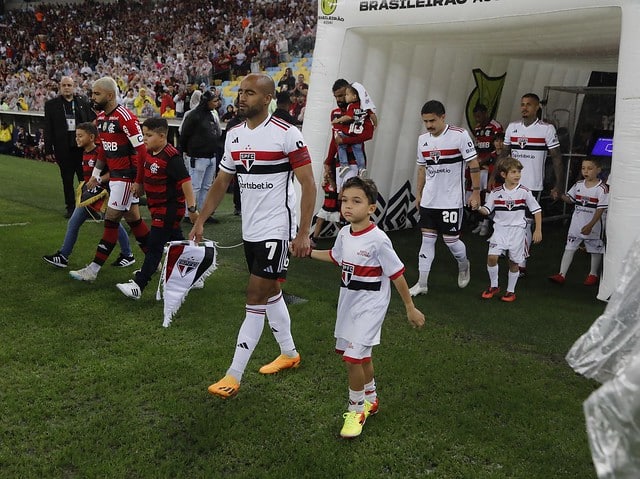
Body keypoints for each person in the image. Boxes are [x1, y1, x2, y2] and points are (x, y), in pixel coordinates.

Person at [189, 73, 316, 399]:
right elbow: (221, 182)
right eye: (241, 92)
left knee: (255, 296)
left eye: (250, 93)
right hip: (252, 230)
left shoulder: (288, 135)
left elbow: (308, 184)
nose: (241, 98)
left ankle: (233, 375)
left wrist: (303, 233)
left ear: (267, 98)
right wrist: (201, 220)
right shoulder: (234, 135)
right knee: (271, 292)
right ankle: (289, 354)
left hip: (278, 230)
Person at [309, 177, 425, 438]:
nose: (348, 206)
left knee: (351, 359)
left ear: (372, 208)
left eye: (356, 201)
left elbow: (397, 274)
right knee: (362, 357)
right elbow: (335, 257)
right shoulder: (343, 233)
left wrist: (410, 307)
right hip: (348, 303)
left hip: (371, 306)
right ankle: (371, 398)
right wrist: (307, 252)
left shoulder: (379, 240)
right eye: (345, 201)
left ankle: (356, 411)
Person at [69, 76, 150, 282]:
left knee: (111, 220)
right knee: (133, 219)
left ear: (110, 95)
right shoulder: (102, 119)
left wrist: (139, 181)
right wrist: (96, 175)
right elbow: (103, 151)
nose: (92, 98)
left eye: (96, 93)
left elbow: (142, 152)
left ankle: (93, 270)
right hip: (115, 177)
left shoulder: (125, 117)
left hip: (126, 178)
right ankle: (155, 260)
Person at [116, 118, 199, 299]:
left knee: (154, 246)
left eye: (148, 135)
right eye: (144, 134)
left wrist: (192, 210)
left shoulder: (172, 157)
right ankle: (195, 275)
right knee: (178, 243)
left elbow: (186, 182)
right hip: (157, 208)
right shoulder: (150, 152)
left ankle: (139, 284)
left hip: (168, 209)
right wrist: (139, 184)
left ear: (162, 136)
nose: (144, 138)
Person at [409, 100, 481, 296]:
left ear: (443, 117)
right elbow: (422, 168)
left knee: (451, 241)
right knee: (427, 239)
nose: (429, 125)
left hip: (451, 201)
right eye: (425, 121)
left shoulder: (459, 135)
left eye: (432, 120)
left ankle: (464, 264)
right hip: (429, 201)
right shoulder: (423, 139)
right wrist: (419, 194)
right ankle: (422, 283)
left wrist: (476, 192)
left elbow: (474, 164)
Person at [43, 122, 134, 269]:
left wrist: (98, 180)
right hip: (91, 195)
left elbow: (114, 171)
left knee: (112, 224)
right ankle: (63, 256)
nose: (77, 139)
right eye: (76, 136)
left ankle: (127, 254)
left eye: (80, 136)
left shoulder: (100, 152)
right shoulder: (85, 151)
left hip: (104, 195)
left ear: (91, 137)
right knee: (75, 223)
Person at [500, 92, 563, 277]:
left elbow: (557, 158)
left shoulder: (546, 129)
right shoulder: (513, 127)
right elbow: (503, 154)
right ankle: (511, 251)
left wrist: (558, 185)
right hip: (510, 184)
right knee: (509, 220)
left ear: (537, 108)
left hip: (532, 185)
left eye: (528, 104)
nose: (524, 108)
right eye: (522, 104)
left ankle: (521, 262)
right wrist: (495, 177)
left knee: (525, 223)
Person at [477, 158, 542, 303]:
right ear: (504, 174)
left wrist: (538, 230)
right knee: (492, 257)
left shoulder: (525, 192)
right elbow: (487, 210)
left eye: (519, 172)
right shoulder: (496, 192)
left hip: (518, 232)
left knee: (513, 262)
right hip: (499, 230)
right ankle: (494, 286)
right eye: (513, 172)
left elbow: (537, 210)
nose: (517, 175)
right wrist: (477, 207)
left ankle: (511, 291)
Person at [548, 157, 608, 286]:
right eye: (583, 168)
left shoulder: (602, 188)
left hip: (593, 225)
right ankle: (561, 274)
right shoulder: (578, 185)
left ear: (598, 170)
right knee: (569, 247)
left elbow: (601, 209)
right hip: (576, 224)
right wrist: (559, 195)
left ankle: (593, 274)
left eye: (590, 168)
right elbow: (571, 199)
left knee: (595, 248)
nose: (586, 171)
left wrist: (591, 225)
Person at [44, 76, 96, 218]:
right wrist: (48, 149)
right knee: (67, 179)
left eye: (69, 85)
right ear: (60, 87)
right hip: (63, 148)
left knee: (84, 179)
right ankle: (71, 208)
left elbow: (90, 123)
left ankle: (88, 207)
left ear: (74, 86)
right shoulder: (51, 105)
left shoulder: (82, 102)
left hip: (82, 148)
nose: (67, 87)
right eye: (64, 85)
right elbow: (48, 128)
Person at [179, 89, 222, 222]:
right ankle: (189, 213)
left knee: (206, 186)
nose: (217, 103)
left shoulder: (211, 114)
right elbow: (184, 134)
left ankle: (204, 214)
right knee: (195, 186)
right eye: (214, 101)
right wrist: (187, 151)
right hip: (197, 157)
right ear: (207, 102)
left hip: (210, 156)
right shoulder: (193, 115)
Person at [470, 103, 503, 236]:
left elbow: (499, 147)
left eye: (479, 116)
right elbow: (477, 146)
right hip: (480, 167)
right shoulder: (477, 128)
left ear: (485, 113)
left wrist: (484, 161)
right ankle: (480, 222)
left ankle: (487, 225)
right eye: (475, 117)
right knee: (480, 194)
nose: (477, 119)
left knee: (490, 194)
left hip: (491, 166)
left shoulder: (496, 126)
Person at [331, 83, 376, 179]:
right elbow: (373, 116)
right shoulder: (365, 107)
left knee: (341, 144)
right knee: (358, 151)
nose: (345, 97)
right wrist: (375, 124)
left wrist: (338, 120)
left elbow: (349, 117)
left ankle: (344, 164)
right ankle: (362, 168)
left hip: (351, 133)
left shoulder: (352, 106)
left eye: (346, 95)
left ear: (354, 96)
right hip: (358, 133)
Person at [310, 170, 340, 247]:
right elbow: (326, 189)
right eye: (325, 176)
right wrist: (326, 180)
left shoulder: (336, 185)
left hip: (334, 209)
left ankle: (346, 238)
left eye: (326, 176)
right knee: (319, 221)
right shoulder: (325, 185)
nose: (325, 177)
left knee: (339, 224)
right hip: (325, 208)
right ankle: (314, 240)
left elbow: (335, 188)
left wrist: (329, 177)